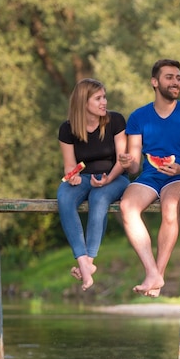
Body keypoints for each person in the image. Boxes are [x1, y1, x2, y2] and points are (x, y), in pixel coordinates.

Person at [118, 59, 180, 297]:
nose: (176, 82)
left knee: (170, 205)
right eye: (169, 77)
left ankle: (158, 273)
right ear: (155, 82)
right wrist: (128, 162)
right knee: (127, 206)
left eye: (178, 78)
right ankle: (151, 271)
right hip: (151, 175)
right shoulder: (138, 117)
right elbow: (134, 166)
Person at [57, 78, 130, 291]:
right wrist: (73, 177)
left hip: (115, 177)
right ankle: (83, 262)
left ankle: (89, 261)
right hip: (84, 178)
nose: (104, 102)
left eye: (104, 97)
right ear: (83, 101)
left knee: (98, 198)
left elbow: (121, 160)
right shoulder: (67, 129)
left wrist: (109, 177)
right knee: (64, 197)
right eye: (98, 98)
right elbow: (70, 165)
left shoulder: (116, 121)